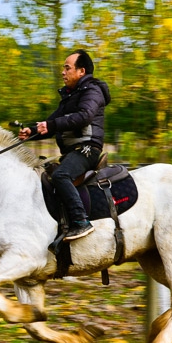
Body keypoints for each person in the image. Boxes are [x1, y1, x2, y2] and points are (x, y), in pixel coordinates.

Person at [18, 48, 108, 240]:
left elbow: (84, 117)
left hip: (87, 149)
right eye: (63, 68)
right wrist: (32, 131)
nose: (63, 72)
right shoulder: (70, 96)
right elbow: (53, 122)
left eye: (67, 68)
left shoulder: (92, 91)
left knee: (61, 175)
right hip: (72, 152)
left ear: (81, 71)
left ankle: (81, 221)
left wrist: (50, 125)